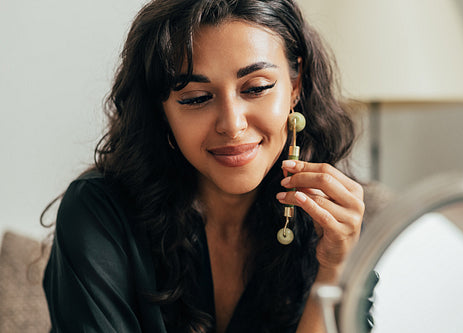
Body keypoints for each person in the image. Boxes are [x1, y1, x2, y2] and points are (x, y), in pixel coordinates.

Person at [42, 0, 365, 332]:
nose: (232, 124)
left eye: (256, 88)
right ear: (161, 112)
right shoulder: (98, 213)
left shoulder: (331, 222)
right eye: (196, 97)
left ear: (294, 87)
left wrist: (333, 273)